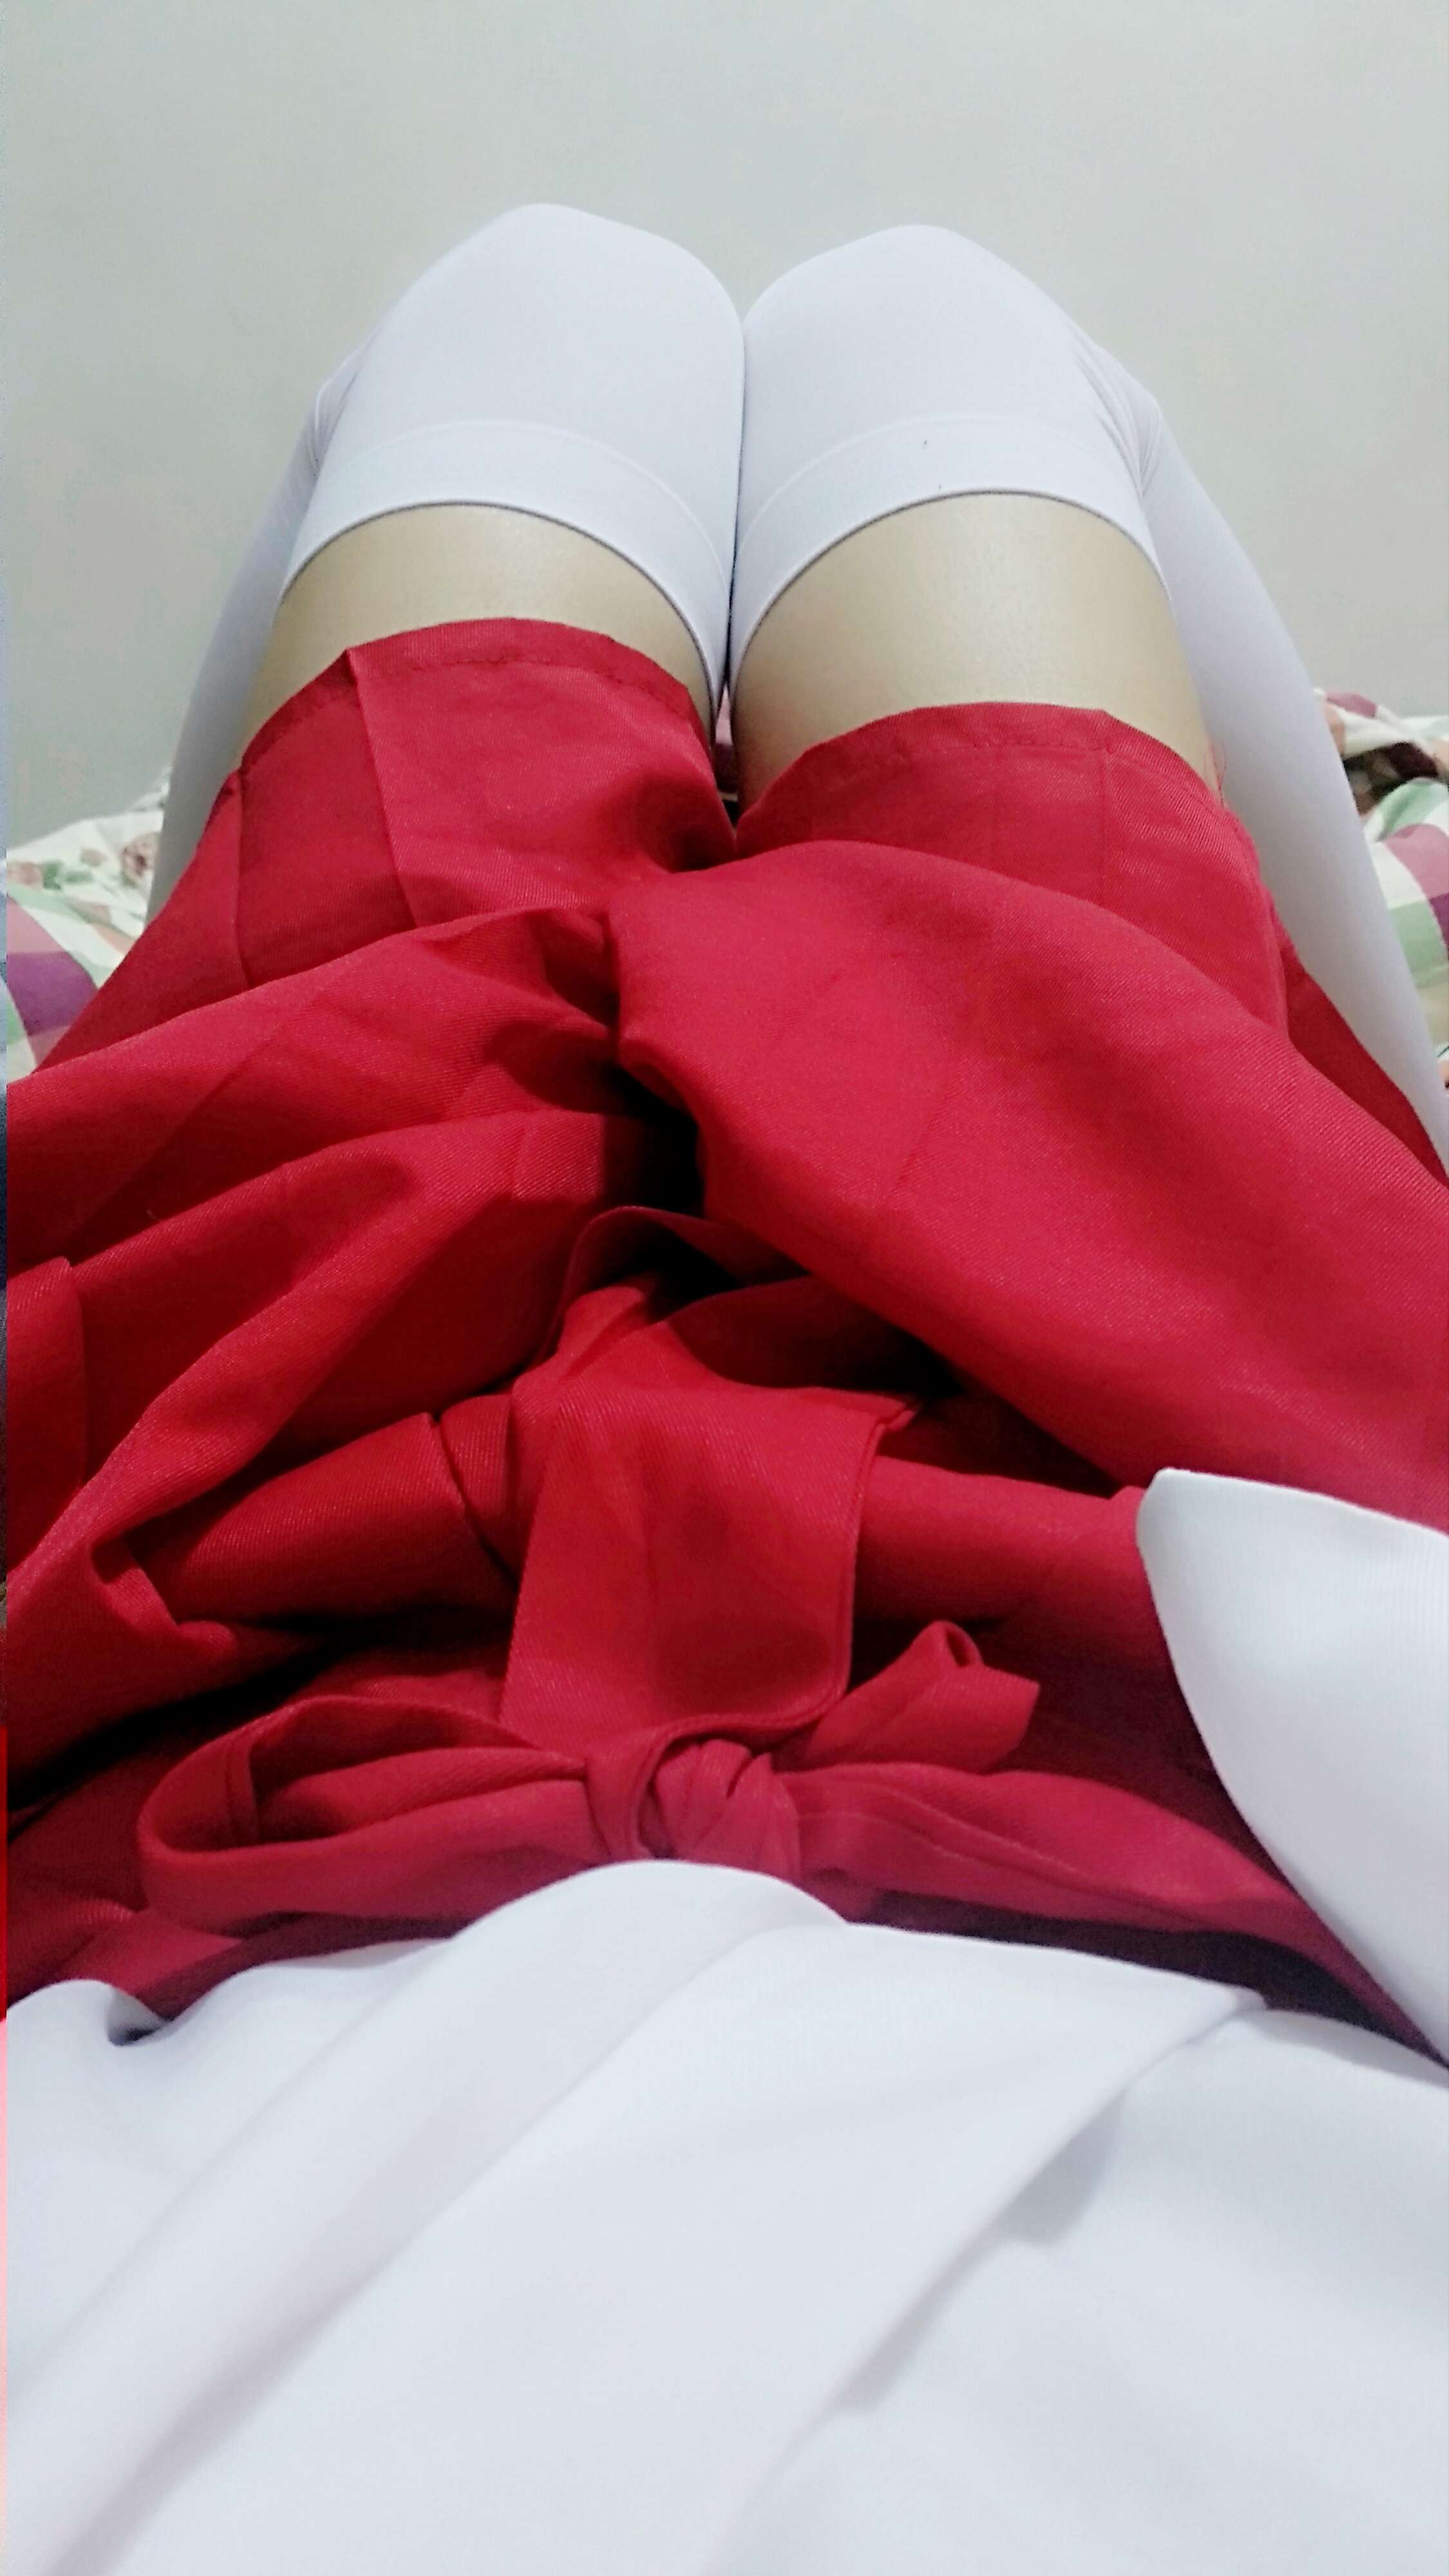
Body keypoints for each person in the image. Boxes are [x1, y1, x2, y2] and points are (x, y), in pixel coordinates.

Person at [7, 202, 1447, 2576]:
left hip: (251, 1614)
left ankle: (226, 977)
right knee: (917, 320)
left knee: (551, 301)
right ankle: (1337, 1140)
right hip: (1164, 1604)